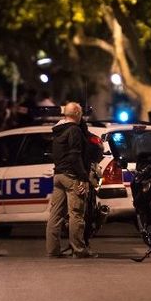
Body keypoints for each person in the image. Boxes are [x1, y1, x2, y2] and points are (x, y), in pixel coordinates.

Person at [46, 102, 97, 258]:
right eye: (80, 113)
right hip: (72, 176)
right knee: (76, 214)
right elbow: (75, 156)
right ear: (76, 113)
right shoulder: (74, 130)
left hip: (58, 176)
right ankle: (79, 250)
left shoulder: (58, 130)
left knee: (55, 215)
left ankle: (53, 250)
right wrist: (83, 178)